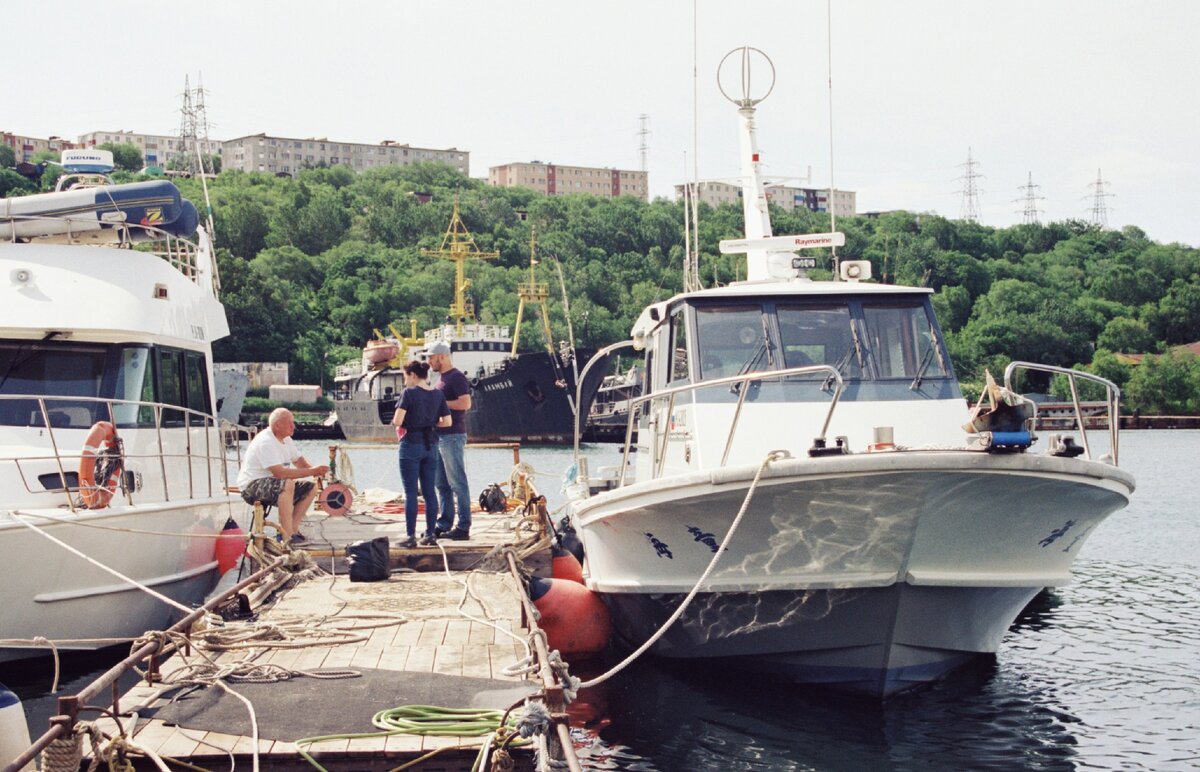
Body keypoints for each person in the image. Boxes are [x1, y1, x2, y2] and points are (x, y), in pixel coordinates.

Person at [236, 408, 329, 544]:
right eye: (290, 423)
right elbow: (279, 473)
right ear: (277, 425)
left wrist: (318, 471)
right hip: (251, 487)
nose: (293, 426)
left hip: (276, 485)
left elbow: (298, 461)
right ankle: (286, 535)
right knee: (287, 482)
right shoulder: (266, 441)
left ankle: (293, 529)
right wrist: (312, 471)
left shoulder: (286, 439)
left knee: (311, 488)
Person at [391, 360, 451, 548]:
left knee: (410, 493)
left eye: (405, 377)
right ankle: (431, 534)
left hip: (411, 445)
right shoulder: (438, 394)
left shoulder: (408, 393)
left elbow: (397, 420)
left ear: (413, 375)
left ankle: (410, 537)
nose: (405, 381)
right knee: (429, 493)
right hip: (431, 445)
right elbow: (447, 422)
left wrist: (411, 424)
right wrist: (431, 426)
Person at [428, 340, 473, 540]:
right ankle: (444, 523)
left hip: (452, 436)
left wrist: (439, 402)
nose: (428, 361)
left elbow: (466, 403)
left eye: (431, 357)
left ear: (442, 356)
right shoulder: (441, 378)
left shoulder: (456, 377)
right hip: (440, 436)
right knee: (441, 484)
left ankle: (463, 526)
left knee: (457, 483)